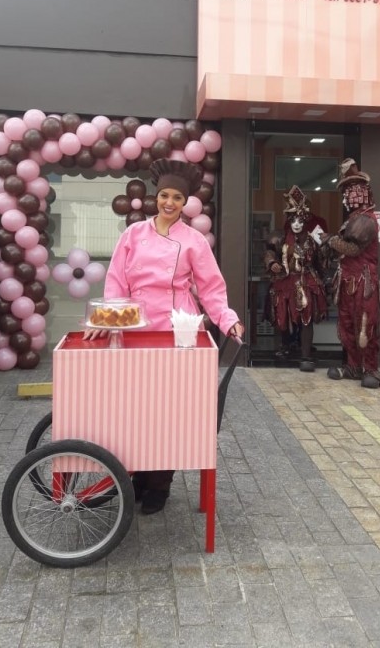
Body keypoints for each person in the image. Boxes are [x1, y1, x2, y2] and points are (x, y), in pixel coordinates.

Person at [84, 158, 244, 513]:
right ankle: (136, 475)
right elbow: (116, 282)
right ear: (157, 197)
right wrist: (106, 319)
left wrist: (228, 319)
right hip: (136, 331)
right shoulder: (133, 234)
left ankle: (159, 483)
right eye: (165, 195)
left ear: (185, 203)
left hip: (177, 333)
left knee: (167, 411)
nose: (170, 203)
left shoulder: (194, 241)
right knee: (134, 408)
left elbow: (212, 289)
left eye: (177, 198)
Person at [322, 158, 380, 389]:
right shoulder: (352, 220)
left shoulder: (366, 220)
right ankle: (353, 366)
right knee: (347, 323)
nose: (346, 197)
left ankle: (371, 368)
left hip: (363, 281)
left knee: (365, 324)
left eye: (349, 192)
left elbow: (353, 248)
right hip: (348, 279)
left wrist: (331, 241)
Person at [264, 185, 327, 371]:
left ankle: (306, 356)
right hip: (285, 281)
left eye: (300, 220)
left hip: (307, 281)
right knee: (283, 316)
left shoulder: (313, 239)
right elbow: (269, 252)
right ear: (289, 221)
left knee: (306, 319)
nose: (297, 224)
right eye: (294, 221)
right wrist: (271, 263)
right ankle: (284, 346)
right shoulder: (281, 238)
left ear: (305, 221)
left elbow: (320, 260)